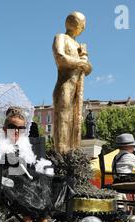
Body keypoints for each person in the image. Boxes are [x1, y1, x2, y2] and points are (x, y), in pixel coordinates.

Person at [0, 108, 52, 222]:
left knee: (43, 177)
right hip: (7, 181)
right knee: (20, 177)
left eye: (21, 128)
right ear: (5, 129)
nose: (17, 131)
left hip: (27, 182)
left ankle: (43, 221)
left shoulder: (26, 146)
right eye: (12, 127)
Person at [52, 11, 93, 153]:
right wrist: (80, 63)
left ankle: (73, 155)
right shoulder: (61, 37)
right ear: (77, 24)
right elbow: (60, 58)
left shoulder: (79, 45)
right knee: (63, 121)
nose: (84, 27)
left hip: (77, 90)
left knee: (75, 123)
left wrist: (84, 58)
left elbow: (87, 69)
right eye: (83, 24)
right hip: (65, 86)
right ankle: (61, 157)